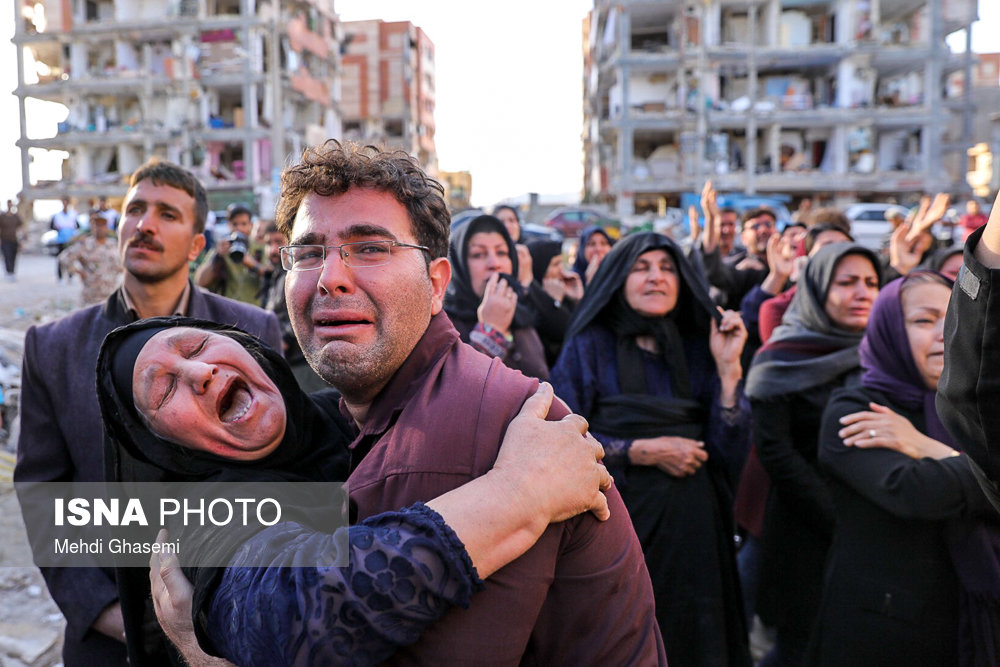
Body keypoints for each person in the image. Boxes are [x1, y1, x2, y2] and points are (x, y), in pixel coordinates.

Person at [159, 140, 665, 666]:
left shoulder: (471, 429)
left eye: (371, 247)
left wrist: (203, 653)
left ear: (436, 283)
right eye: (308, 253)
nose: (331, 277)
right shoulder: (349, 418)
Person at [97, 316, 613, 666]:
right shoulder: (203, 514)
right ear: (161, 444)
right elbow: (302, 612)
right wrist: (522, 494)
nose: (200, 372)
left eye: (197, 346)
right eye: (163, 389)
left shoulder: (354, 415)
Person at [14, 158, 281, 667]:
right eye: (134, 210)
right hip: (107, 639)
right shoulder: (53, 347)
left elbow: (274, 482)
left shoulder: (251, 335)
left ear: (198, 244)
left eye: (167, 214)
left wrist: (215, 619)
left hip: (225, 634)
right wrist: (110, 616)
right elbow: (41, 491)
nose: (145, 224)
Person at [551, 232, 753, 667]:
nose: (656, 278)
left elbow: (729, 451)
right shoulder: (590, 346)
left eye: (666, 268)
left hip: (696, 534)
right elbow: (560, 437)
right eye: (641, 268)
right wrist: (641, 450)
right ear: (618, 280)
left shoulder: (701, 346)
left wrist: (730, 370)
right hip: (617, 526)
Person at [807, 271, 1000, 666]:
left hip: (974, 621)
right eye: (922, 320)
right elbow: (915, 491)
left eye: (951, 318)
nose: (943, 333)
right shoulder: (856, 409)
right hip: (886, 627)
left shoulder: (979, 410)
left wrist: (925, 446)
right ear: (888, 330)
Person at [744, 243, 882, 667]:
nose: (863, 293)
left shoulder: (884, 352)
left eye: (872, 283)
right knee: (802, 646)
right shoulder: (781, 357)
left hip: (877, 525)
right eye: (847, 283)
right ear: (817, 289)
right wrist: (838, 516)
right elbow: (776, 451)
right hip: (803, 528)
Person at [444, 214, 549, 379]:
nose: (494, 263)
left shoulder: (519, 312)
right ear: (459, 265)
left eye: (501, 252)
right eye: (478, 254)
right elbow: (454, 393)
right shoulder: (443, 325)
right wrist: (490, 332)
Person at [523, 237, 583, 367]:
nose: (561, 271)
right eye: (555, 264)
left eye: (562, 263)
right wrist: (553, 304)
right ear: (539, 267)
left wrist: (577, 300)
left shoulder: (564, 297)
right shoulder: (525, 304)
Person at [195, 204, 267, 305]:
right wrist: (218, 256)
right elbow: (200, 282)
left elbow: (271, 277)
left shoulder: (259, 249)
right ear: (229, 225)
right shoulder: (223, 248)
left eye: (243, 224)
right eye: (235, 224)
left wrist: (252, 264)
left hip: (255, 310)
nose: (239, 229)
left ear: (251, 225)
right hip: (228, 310)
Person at [58, 211, 123, 305]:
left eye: (102, 225)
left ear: (107, 227)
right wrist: (77, 271)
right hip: (90, 297)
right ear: (92, 227)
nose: (99, 228)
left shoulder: (113, 244)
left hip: (110, 297)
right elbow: (63, 258)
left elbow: (123, 265)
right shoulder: (85, 244)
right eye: (96, 225)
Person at [51, 196, 79, 282]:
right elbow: (52, 226)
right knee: (60, 259)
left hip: (70, 240)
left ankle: (70, 275)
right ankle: (60, 277)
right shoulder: (57, 215)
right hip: (61, 240)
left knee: (71, 259)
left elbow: (78, 226)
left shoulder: (73, 214)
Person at [0, 199, 23, 281]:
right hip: (5, 239)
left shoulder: (15, 216)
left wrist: (21, 240)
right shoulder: (2, 216)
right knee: (7, 256)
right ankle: (8, 272)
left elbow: (20, 228)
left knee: (13, 256)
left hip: (14, 240)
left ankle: (12, 272)